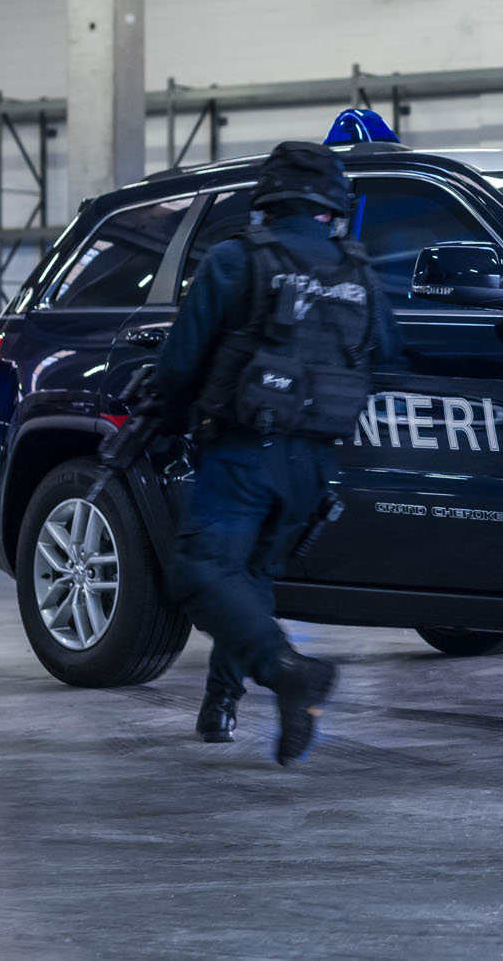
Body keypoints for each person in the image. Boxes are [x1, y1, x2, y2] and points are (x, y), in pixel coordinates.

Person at [146, 141, 399, 763]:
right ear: (332, 205)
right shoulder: (359, 273)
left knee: (201, 570)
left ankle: (288, 672)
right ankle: (220, 708)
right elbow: (384, 353)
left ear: (269, 195)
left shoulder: (236, 260)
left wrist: (162, 425)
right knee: (249, 578)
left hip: (243, 452)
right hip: (314, 465)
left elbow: (180, 365)